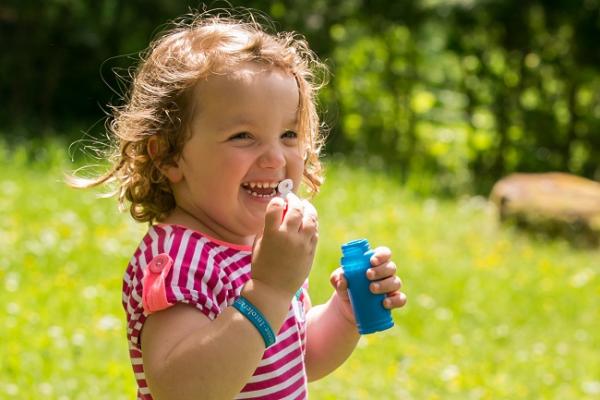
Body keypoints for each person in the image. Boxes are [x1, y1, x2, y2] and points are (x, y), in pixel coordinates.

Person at [74, 10, 407, 400]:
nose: (275, 158)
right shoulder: (177, 259)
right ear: (169, 156)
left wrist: (345, 313)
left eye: (288, 134)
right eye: (243, 136)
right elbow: (182, 389)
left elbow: (299, 358)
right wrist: (267, 290)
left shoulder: (264, 249)